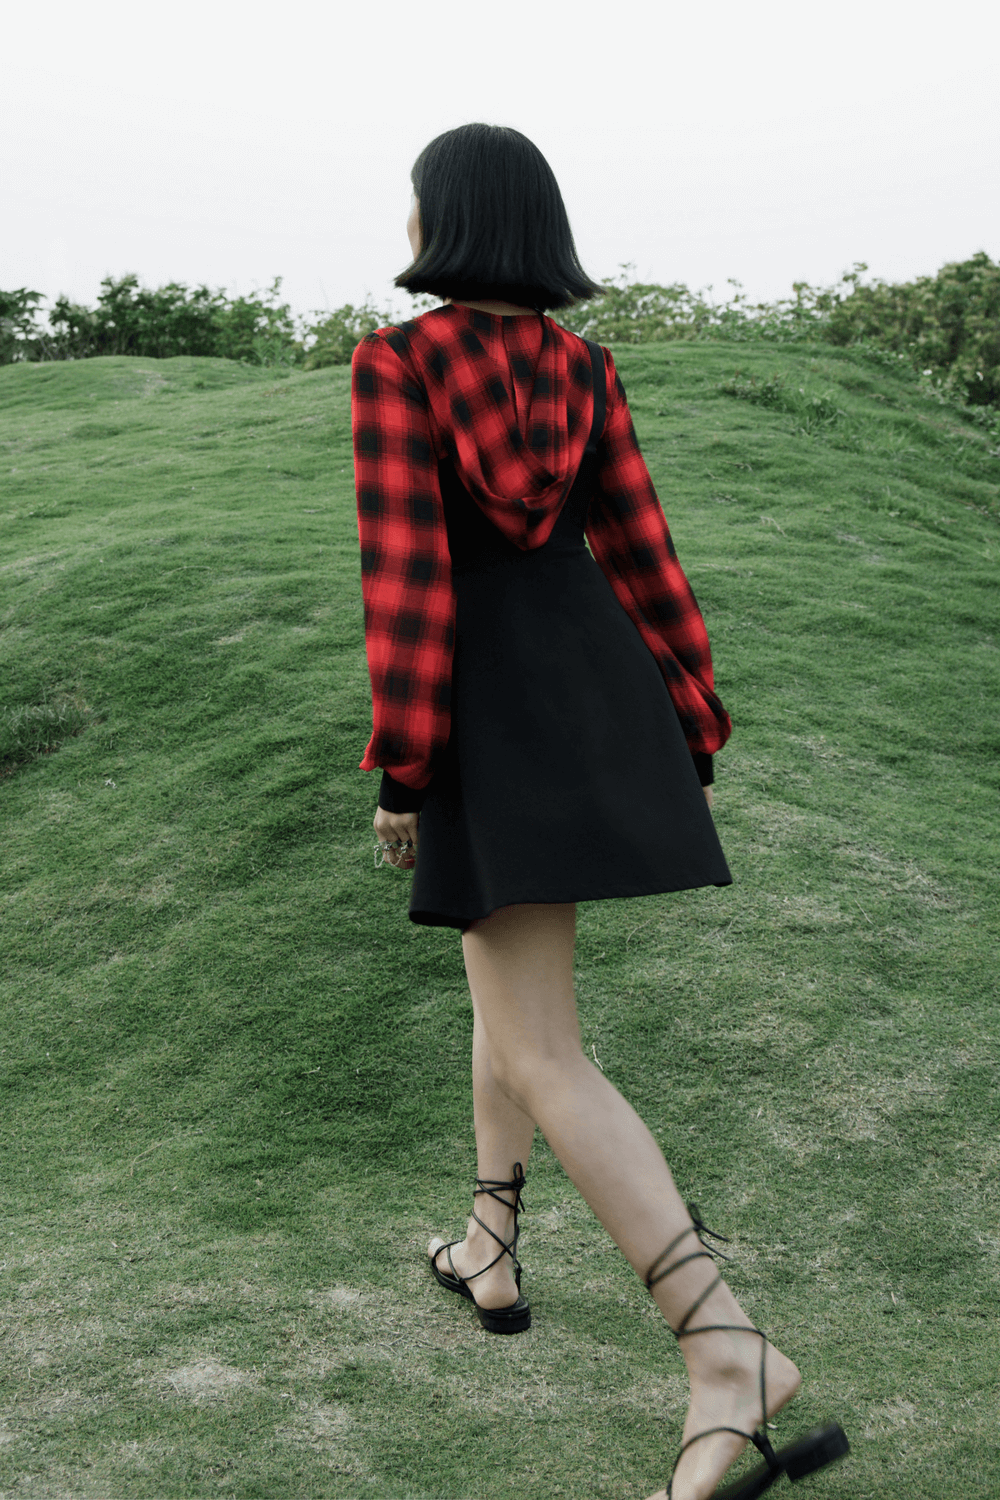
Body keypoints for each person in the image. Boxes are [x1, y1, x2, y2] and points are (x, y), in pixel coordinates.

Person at [352, 124, 848, 1500]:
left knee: (546, 1046)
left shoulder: (398, 360)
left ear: (443, 219)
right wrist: (690, 710)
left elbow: (404, 581)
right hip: (595, 687)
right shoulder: (585, 368)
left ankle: (725, 1346)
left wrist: (404, 769)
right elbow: (642, 547)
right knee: (506, 996)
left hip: (479, 707)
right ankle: (489, 1248)